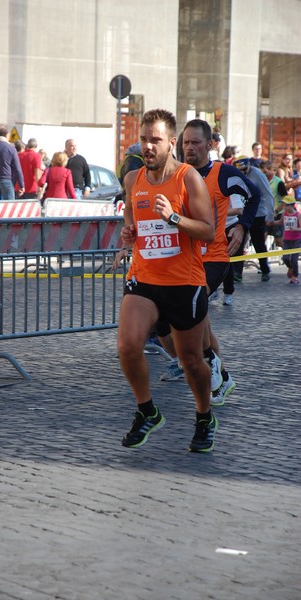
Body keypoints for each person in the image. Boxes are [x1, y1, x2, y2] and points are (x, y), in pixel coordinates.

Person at [117, 108, 218, 453]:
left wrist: (174, 217)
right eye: (144, 139)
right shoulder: (133, 180)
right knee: (128, 346)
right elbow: (133, 220)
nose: (148, 146)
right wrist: (129, 233)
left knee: (190, 360)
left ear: (171, 142)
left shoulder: (189, 178)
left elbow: (208, 230)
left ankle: (204, 415)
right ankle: (147, 410)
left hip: (184, 282)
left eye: (155, 140)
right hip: (144, 278)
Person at [159, 120, 260, 408]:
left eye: (196, 142)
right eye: (186, 143)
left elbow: (255, 197)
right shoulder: (177, 174)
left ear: (210, 145)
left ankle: (210, 365)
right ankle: (220, 372)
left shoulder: (224, 173)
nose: (190, 147)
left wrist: (242, 226)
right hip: (183, 258)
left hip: (214, 256)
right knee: (194, 316)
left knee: (190, 304)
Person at [232, 155, 275, 282]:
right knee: (238, 242)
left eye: (245, 170)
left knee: (258, 243)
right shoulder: (237, 174)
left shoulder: (258, 174)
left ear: (249, 165)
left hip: (258, 214)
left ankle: (265, 269)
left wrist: (270, 214)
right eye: (241, 171)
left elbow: (268, 194)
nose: (243, 173)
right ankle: (237, 273)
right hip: (243, 212)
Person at [260, 160, 287, 247]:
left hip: (277, 215)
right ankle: (263, 260)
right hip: (264, 214)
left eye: (265, 172)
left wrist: (276, 211)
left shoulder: (278, 182)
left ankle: (288, 257)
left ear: (271, 169)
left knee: (278, 241)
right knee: (262, 239)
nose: (263, 174)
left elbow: (285, 199)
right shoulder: (261, 181)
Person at [275, 196, 301, 284]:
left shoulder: (298, 215)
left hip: (296, 239)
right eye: (284, 205)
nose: (284, 207)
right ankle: (290, 267)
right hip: (287, 239)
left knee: (294, 259)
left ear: (291, 206)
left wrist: (295, 229)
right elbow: (281, 222)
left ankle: (295, 276)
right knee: (285, 258)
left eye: (286, 205)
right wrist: (271, 222)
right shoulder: (284, 214)